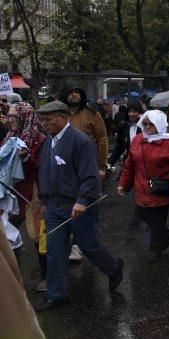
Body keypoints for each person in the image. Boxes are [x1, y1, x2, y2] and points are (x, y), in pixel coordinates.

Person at [34, 101, 124, 312]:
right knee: (55, 250)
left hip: (78, 206)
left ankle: (114, 267)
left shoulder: (81, 142)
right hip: (54, 206)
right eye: (42, 120)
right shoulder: (49, 141)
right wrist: (44, 200)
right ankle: (57, 294)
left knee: (88, 245)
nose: (44, 124)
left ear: (62, 117)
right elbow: (45, 172)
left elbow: (91, 177)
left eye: (48, 120)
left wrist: (82, 201)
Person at [117, 110, 169, 263]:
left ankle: (156, 250)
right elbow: (129, 165)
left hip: (161, 189)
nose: (147, 127)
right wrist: (123, 183)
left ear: (159, 124)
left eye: (151, 124)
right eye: (145, 123)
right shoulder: (137, 140)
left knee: (157, 221)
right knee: (143, 215)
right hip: (141, 188)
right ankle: (165, 234)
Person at [60, 87, 109, 262]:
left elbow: (102, 139)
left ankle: (84, 245)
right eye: (71, 92)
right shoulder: (59, 112)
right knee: (68, 206)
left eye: (78, 92)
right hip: (64, 169)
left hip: (88, 167)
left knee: (88, 205)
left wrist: (101, 166)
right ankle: (74, 242)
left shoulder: (92, 113)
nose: (74, 95)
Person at [2, 103, 47, 289]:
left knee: (36, 234)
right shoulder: (9, 138)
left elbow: (43, 169)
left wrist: (27, 157)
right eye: (9, 115)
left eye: (14, 116)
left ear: (24, 117)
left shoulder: (41, 140)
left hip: (32, 192)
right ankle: (13, 279)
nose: (10, 119)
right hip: (11, 193)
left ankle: (48, 276)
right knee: (8, 233)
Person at [108, 100, 144, 168]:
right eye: (129, 111)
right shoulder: (123, 126)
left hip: (142, 164)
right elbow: (119, 147)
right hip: (128, 163)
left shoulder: (144, 126)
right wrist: (109, 163)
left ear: (139, 112)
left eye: (134, 111)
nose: (131, 114)